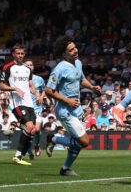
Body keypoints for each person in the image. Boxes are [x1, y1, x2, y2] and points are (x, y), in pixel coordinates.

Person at [44, 35, 101, 176]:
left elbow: (81, 79)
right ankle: (53, 138)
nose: (75, 51)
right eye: (71, 50)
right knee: (84, 141)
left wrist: (92, 87)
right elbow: (48, 90)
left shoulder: (78, 63)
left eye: (75, 48)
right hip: (64, 110)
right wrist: (67, 100)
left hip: (77, 108)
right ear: (64, 53)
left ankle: (65, 169)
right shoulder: (59, 69)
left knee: (78, 143)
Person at [0, 44, 37, 166]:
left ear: (24, 54)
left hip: (29, 103)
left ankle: (21, 155)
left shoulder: (28, 69)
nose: (20, 55)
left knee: (33, 130)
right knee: (29, 126)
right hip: (18, 103)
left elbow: (30, 85)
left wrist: (37, 94)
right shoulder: (8, 67)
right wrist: (14, 89)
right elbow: (1, 86)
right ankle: (18, 156)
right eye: (18, 53)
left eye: (22, 53)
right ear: (13, 54)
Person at [24, 59, 46, 158]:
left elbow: (45, 90)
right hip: (26, 108)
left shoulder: (39, 79)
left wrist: (41, 97)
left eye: (31, 65)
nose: (29, 66)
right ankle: (29, 152)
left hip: (37, 108)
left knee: (36, 130)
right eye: (27, 65)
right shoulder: (21, 80)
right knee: (28, 131)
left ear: (33, 67)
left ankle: (37, 145)